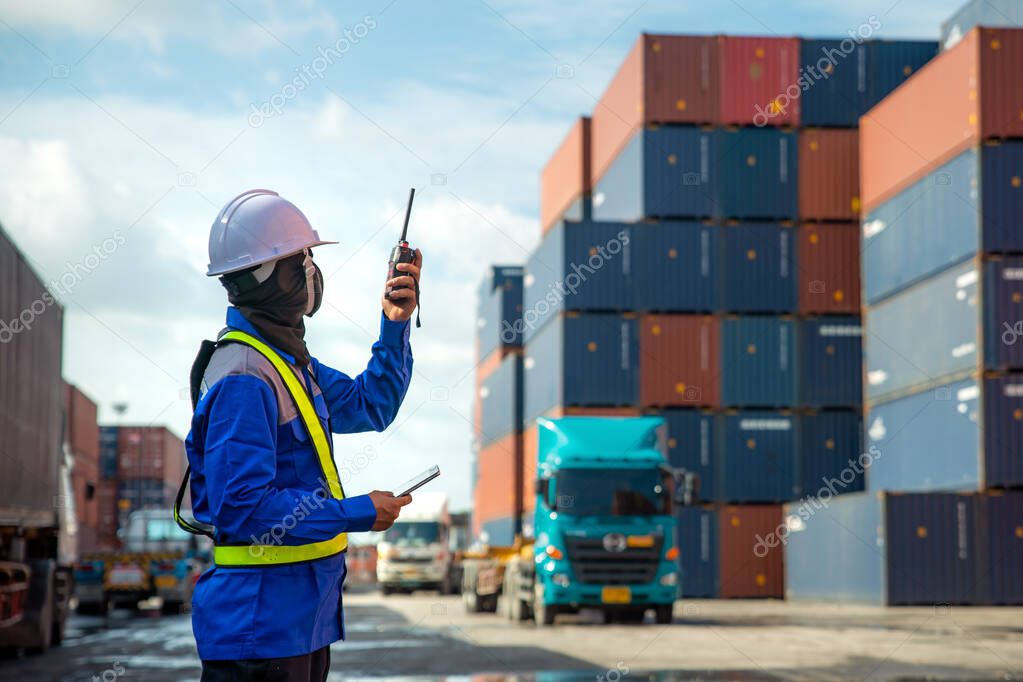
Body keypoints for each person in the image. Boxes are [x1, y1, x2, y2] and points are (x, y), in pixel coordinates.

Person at [179, 189, 421, 681]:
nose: (312, 271)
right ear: (267, 276)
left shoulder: (289, 363)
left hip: (297, 624)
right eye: (302, 258)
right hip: (259, 630)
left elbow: (371, 404)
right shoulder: (246, 377)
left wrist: (394, 325)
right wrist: (357, 511)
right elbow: (242, 508)